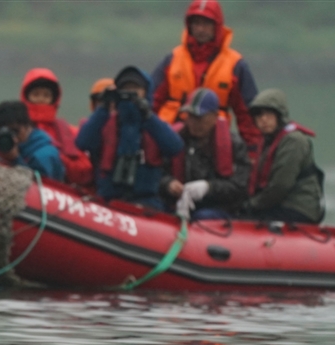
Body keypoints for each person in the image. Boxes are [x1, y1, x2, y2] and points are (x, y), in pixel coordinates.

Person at [151, 0, 262, 171]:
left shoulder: (235, 65)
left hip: (214, 139)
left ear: (217, 26)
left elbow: (247, 115)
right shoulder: (173, 59)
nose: (201, 29)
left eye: (206, 23)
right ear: (189, 26)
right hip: (173, 135)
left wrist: (253, 152)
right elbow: (152, 102)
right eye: (196, 23)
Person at [76, 66, 183, 209]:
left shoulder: (153, 124)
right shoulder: (106, 123)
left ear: (146, 92)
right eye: (125, 89)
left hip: (146, 202)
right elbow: (82, 142)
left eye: (135, 89)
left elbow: (175, 146)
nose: (130, 93)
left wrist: (148, 116)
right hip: (108, 200)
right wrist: (103, 108)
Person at [160, 88, 250, 220]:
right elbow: (159, 172)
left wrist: (208, 188)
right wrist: (168, 184)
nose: (193, 123)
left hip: (217, 209)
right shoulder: (176, 140)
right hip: (177, 204)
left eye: (199, 118)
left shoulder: (234, 145)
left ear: (214, 117)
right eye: (190, 117)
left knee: (203, 217)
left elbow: (240, 187)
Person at [241, 88, 325, 223]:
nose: (263, 119)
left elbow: (280, 185)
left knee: (243, 219)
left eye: (269, 114)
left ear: (280, 116)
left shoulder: (293, 141)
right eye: (259, 115)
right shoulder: (268, 141)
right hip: (280, 204)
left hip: (298, 207)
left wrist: (251, 205)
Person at [20, 68, 93, 187]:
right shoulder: (16, 128)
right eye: (36, 94)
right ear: (26, 97)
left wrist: (57, 157)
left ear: (54, 99)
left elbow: (84, 171)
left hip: (58, 191)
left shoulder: (68, 132)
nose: (41, 99)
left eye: (46, 95)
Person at [0, 100, 65, 181]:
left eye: (14, 131)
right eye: (4, 132)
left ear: (28, 127)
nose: (12, 137)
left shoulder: (45, 155)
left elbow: (38, 189)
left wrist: (15, 159)